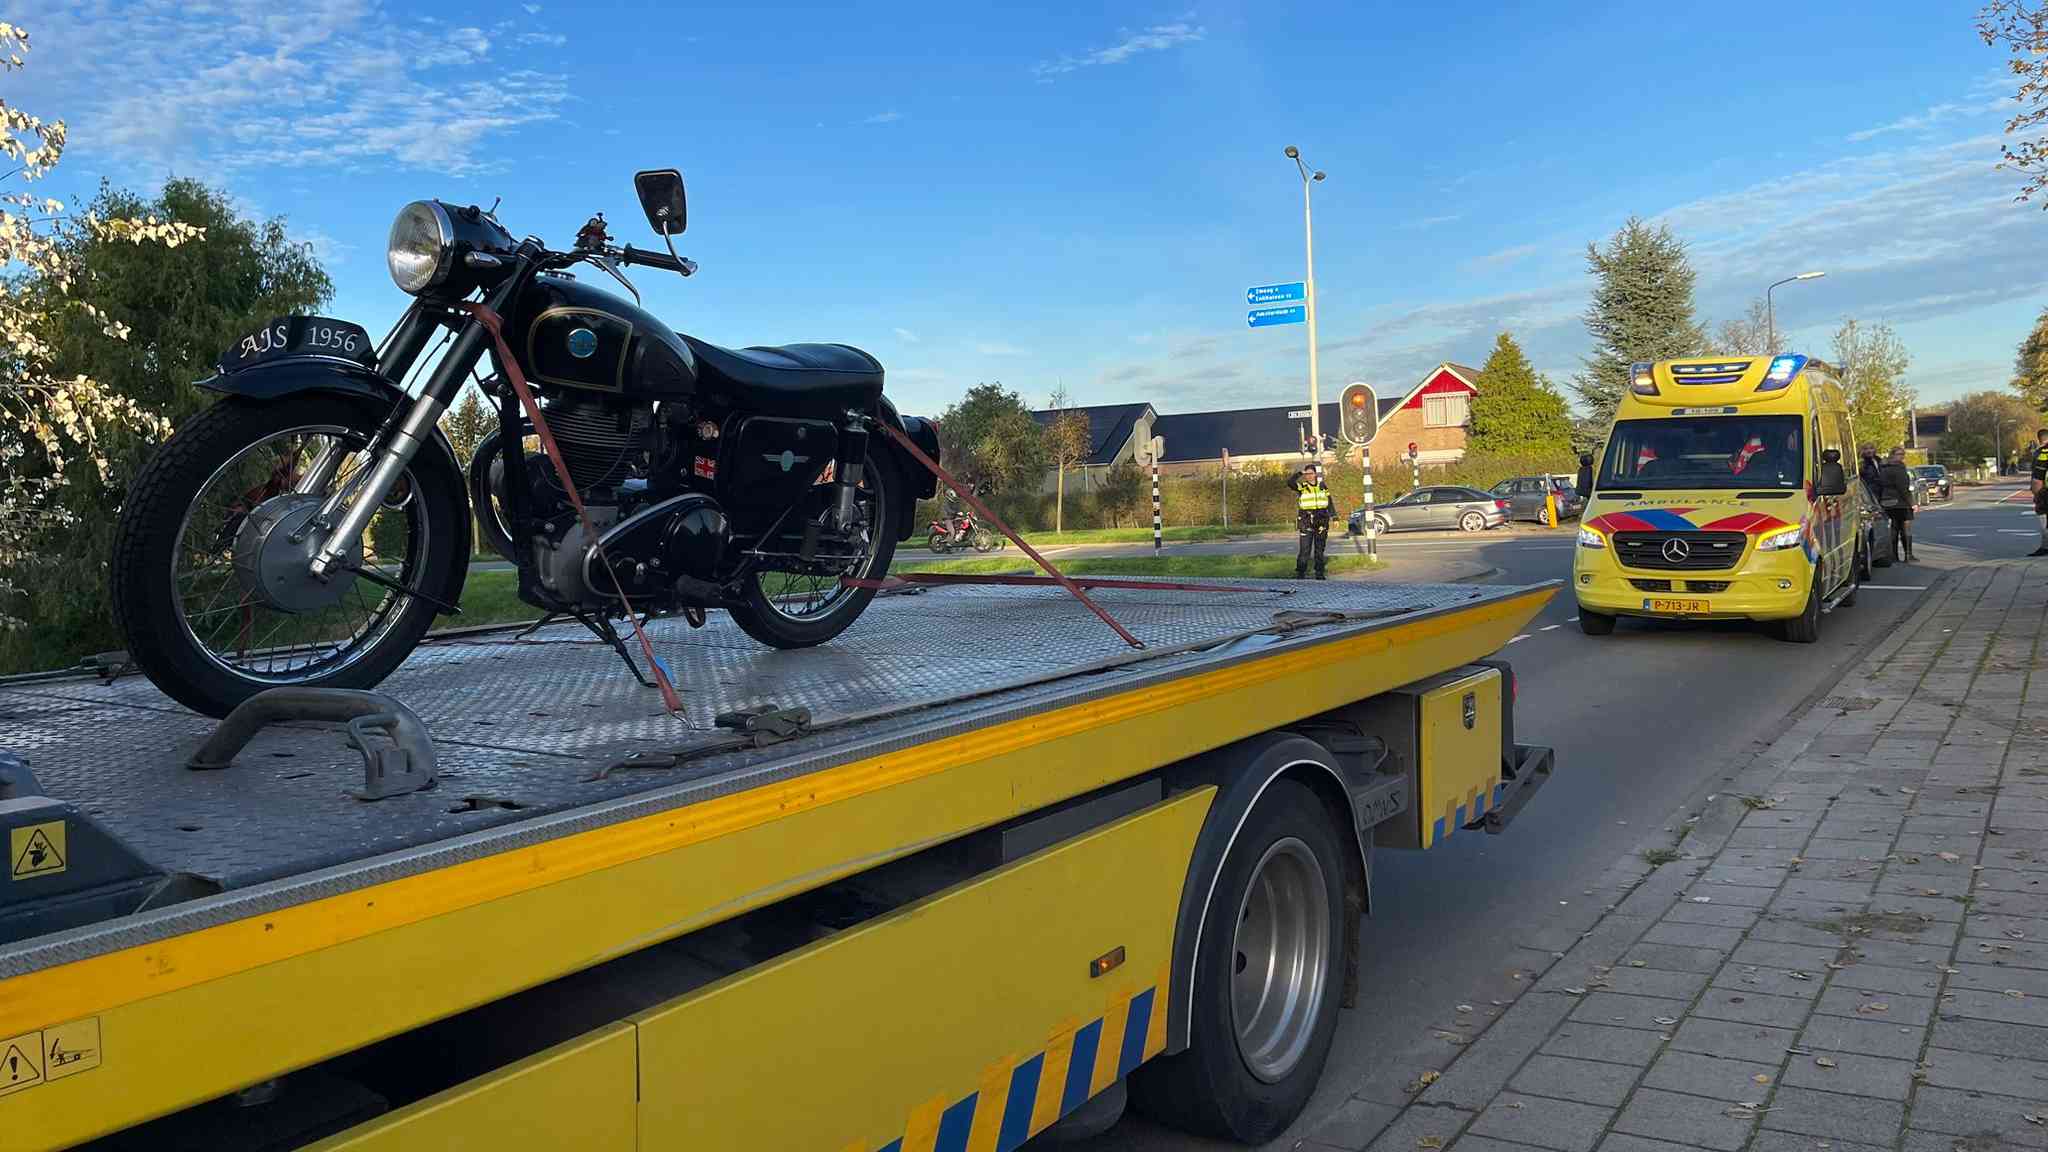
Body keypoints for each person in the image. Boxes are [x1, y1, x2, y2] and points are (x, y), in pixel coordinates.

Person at [1290, 463, 1333, 579]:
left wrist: (1335, 517)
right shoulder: (1302, 487)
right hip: (1306, 521)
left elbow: (1329, 502)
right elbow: (1290, 483)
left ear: (1315, 474)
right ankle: (1301, 572)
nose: (1309, 476)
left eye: (1311, 473)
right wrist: (1299, 473)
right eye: (1307, 474)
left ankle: (1319, 572)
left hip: (1321, 521)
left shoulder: (1322, 486)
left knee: (1319, 549)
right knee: (1305, 549)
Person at [1876, 446, 1917, 564]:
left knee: (1893, 529)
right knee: (1906, 528)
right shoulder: (1898, 468)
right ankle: (1908, 555)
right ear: (1893, 455)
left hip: (1886, 501)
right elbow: (1903, 488)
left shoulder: (1883, 467)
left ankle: (1894, 555)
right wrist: (1912, 503)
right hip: (1900, 502)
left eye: (1903, 454)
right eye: (1899, 454)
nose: (1902, 457)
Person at [2030, 428, 2048, 558]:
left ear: (2039, 439)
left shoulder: (2043, 452)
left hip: (2045, 492)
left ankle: (2045, 547)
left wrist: (2036, 494)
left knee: (2043, 517)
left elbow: (2038, 477)